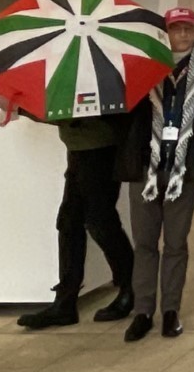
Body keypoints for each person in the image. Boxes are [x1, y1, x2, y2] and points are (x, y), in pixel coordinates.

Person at [117, 7, 194, 343]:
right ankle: (143, 310)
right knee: (145, 242)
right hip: (145, 166)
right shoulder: (145, 64)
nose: (182, 34)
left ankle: (170, 310)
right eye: (176, 28)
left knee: (176, 243)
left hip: (185, 166)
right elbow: (124, 105)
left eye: (188, 28)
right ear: (165, 31)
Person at [17, 109, 136, 330]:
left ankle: (131, 286)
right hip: (80, 149)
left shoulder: (90, 79)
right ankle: (65, 301)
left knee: (100, 221)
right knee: (69, 222)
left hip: (99, 149)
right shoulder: (66, 77)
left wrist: (28, 109)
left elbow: (78, 114)